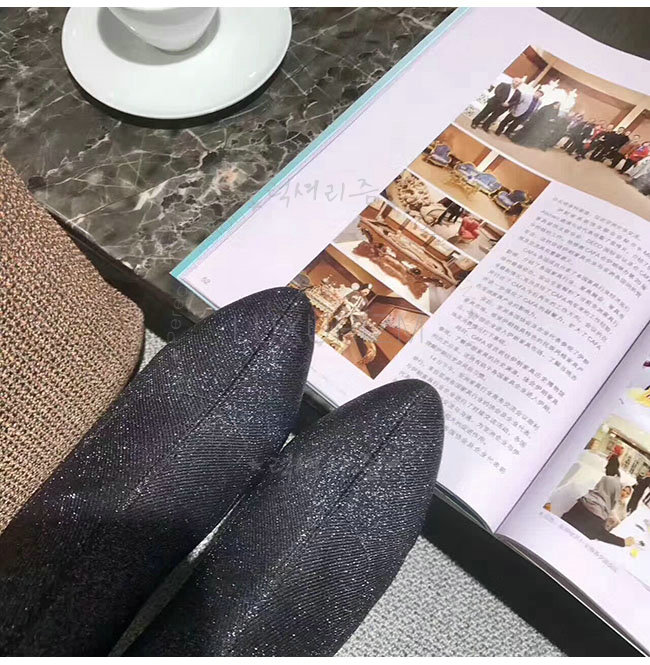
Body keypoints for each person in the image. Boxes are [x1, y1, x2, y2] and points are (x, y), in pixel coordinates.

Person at [561, 455, 635, 548]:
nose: (623, 493)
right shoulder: (598, 514)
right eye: (622, 491)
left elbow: (564, 519)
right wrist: (623, 542)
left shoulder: (582, 502)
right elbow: (600, 534)